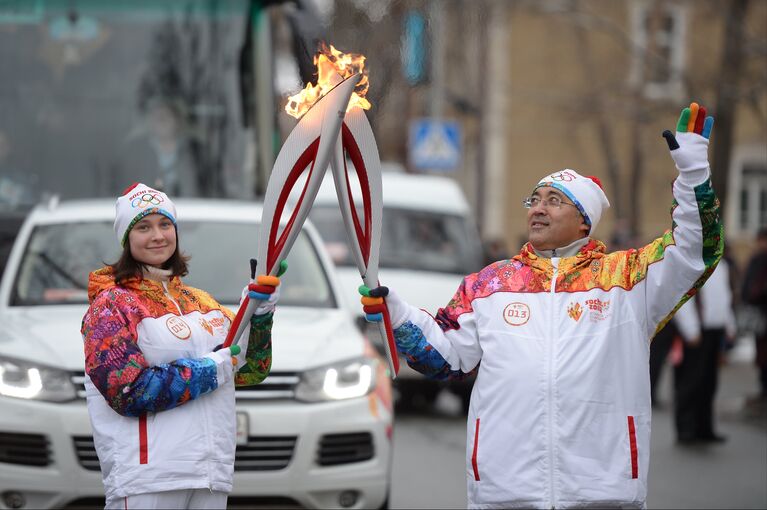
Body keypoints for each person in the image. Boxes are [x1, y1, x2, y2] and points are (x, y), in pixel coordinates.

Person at [360, 102, 723, 508]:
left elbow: (697, 251)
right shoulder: (491, 284)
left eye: (554, 200)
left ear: (584, 220)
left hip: (601, 492)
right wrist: (398, 313)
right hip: (505, 491)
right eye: (534, 199)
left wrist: (693, 174)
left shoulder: (627, 280)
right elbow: (445, 358)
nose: (538, 208)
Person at [81, 183, 281, 509]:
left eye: (165, 224)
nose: (157, 235)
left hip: (210, 473)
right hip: (148, 477)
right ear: (126, 239)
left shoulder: (202, 303)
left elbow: (249, 370)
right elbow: (127, 391)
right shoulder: (112, 305)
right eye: (143, 227)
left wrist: (259, 314)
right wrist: (211, 368)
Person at [672, 258, 737, 443]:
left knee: (710, 382)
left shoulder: (722, 265)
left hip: (715, 330)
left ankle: (704, 427)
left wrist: (729, 324)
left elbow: (725, 297)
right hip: (697, 331)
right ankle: (685, 428)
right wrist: (690, 329)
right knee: (691, 381)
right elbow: (683, 297)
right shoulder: (693, 262)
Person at [742, 227, 767, 406]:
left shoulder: (759, 259)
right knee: (762, 354)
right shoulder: (756, 259)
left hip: (761, 310)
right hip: (760, 314)